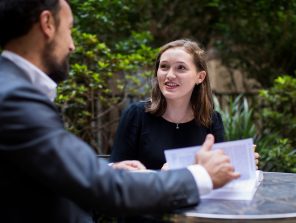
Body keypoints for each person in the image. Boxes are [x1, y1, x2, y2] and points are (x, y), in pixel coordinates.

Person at [0, 0, 240, 222]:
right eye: (70, 29)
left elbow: (52, 171)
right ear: (47, 24)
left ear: (200, 77)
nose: (72, 45)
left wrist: (111, 169)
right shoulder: (14, 99)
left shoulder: (12, 90)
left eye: (181, 68)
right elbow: (104, 188)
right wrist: (199, 176)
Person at [110, 39, 225, 170]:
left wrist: (242, 160)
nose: (169, 75)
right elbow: (114, 174)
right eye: (164, 66)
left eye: (181, 68)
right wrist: (163, 177)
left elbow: (219, 174)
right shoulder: (136, 115)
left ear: (200, 77)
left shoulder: (212, 120)